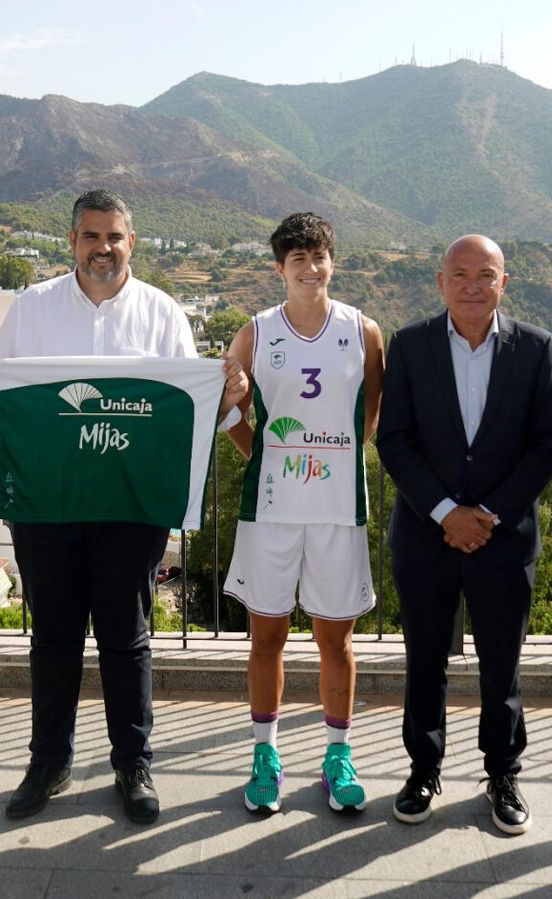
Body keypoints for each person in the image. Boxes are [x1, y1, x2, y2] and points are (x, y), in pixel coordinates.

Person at [0, 189, 248, 824]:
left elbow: (197, 408)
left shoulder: (163, 312)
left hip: (130, 510)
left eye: (115, 236)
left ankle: (133, 764)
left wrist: (233, 391)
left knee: (128, 640)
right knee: (53, 641)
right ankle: (48, 763)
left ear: (132, 242)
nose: (104, 248)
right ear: (71, 242)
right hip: (46, 509)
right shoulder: (32, 307)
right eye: (91, 236)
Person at [377, 235, 552, 834]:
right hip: (425, 535)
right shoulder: (407, 345)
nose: (473, 284)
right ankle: (423, 770)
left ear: (504, 283)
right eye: (460, 274)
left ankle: (503, 773)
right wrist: (443, 512)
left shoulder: (537, 349)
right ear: (441, 282)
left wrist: (487, 514)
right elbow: (394, 441)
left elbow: (544, 447)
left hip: (502, 539)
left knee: (501, 663)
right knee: (424, 660)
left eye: (486, 274)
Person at [221, 212, 384, 814]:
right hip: (272, 512)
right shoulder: (255, 333)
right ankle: (265, 755)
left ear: (332, 261)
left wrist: (334, 460)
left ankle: (337, 755)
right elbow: (229, 413)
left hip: (338, 509)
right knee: (267, 637)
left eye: (320, 258)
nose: (311, 269)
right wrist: (263, 454)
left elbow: (369, 417)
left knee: (334, 641)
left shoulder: (363, 331)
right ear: (279, 268)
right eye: (298, 260)